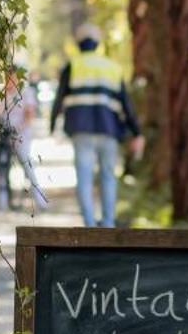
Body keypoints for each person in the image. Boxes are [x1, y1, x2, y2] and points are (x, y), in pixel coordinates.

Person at [49, 23, 143, 229]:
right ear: (98, 44)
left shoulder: (72, 67)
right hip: (108, 130)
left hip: (81, 131)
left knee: (84, 177)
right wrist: (137, 132)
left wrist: (52, 125)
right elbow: (126, 105)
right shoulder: (111, 68)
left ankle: (90, 226)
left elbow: (59, 99)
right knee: (109, 176)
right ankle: (108, 224)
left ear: (78, 44)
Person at [0, 70, 48, 213]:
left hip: (21, 137)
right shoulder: (2, 94)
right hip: (4, 136)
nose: (10, 83)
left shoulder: (26, 93)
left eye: (13, 79)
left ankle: (40, 200)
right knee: (2, 169)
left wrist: (17, 129)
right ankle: (2, 203)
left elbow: (30, 115)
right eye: (8, 79)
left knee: (27, 167)